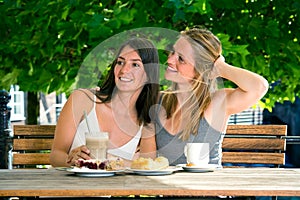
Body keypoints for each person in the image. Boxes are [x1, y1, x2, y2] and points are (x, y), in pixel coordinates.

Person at [155, 27, 269, 166]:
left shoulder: (217, 102)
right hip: (165, 186)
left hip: (207, 185)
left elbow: (259, 87)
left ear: (201, 69)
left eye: (181, 59)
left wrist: (220, 66)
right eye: (172, 52)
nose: (170, 60)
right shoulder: (158, 100)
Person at [50, 37, 159, 167]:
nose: (124, 70)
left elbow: (148, 168)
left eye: (135, 64)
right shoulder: (82, 100)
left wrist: (110, 160)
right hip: (75, 186)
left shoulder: (146, 123)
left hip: (116, 187)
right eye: (120, 62)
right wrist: (74, 162)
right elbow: (56, 156)